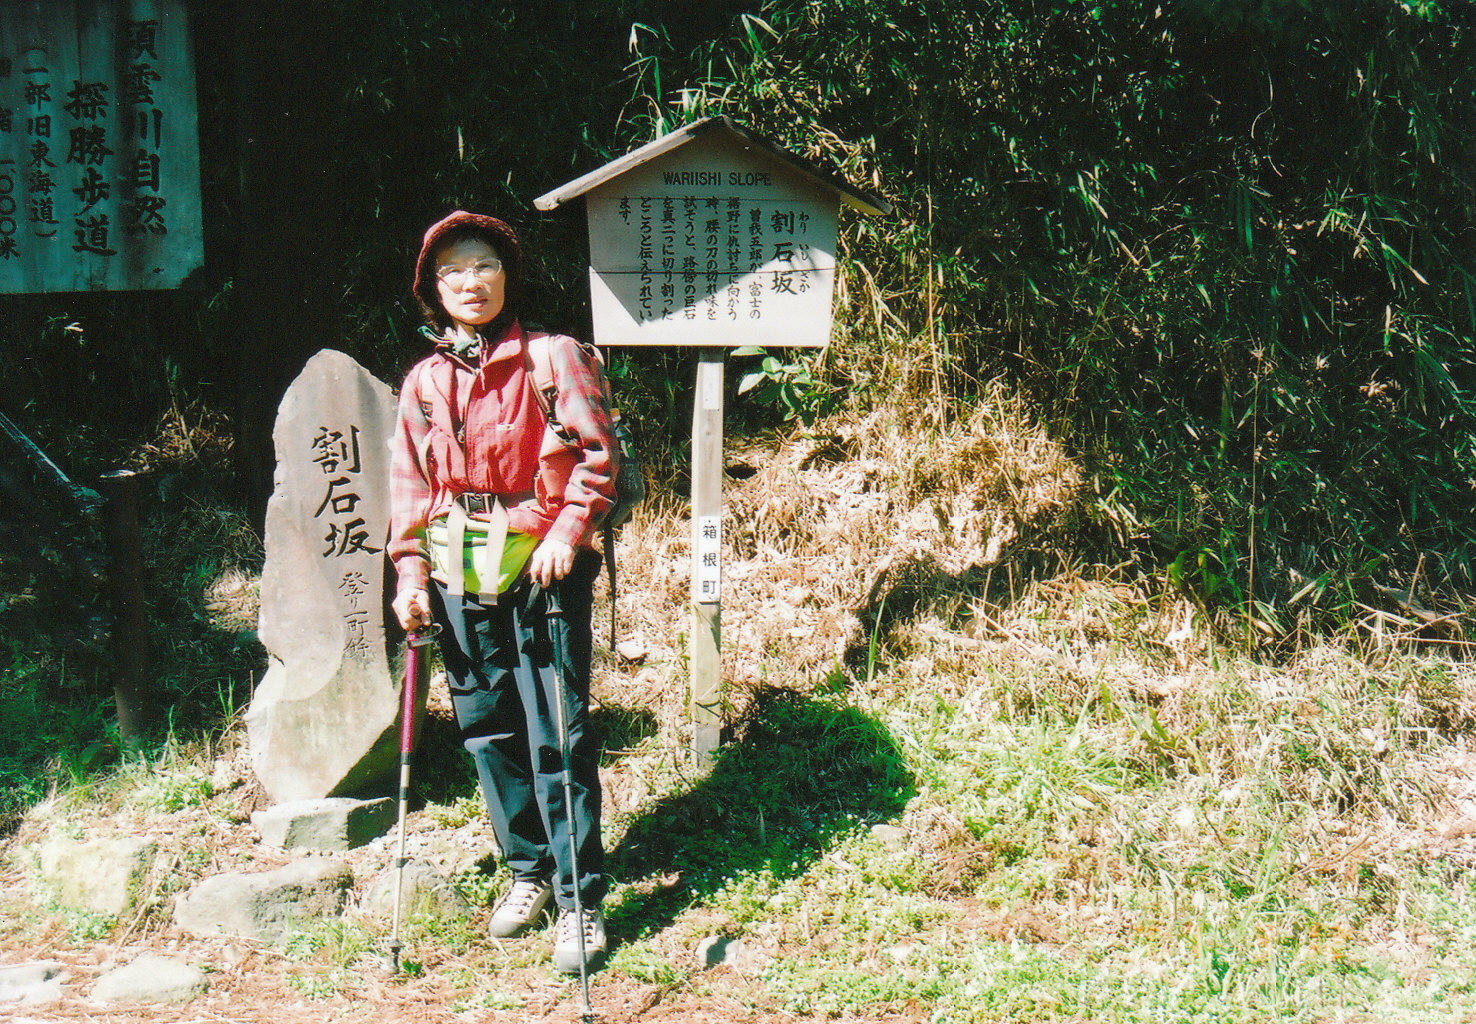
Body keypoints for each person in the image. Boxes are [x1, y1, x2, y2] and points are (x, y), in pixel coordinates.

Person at [387, 210, 617, 975]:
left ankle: (579, 897)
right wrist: (410, 575)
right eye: (452, 270)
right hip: (458, 566)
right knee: (486, 726)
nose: (470, 282)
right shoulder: (424, 381)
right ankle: (528, 870)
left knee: (558, 731)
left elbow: (598, 456)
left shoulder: (554, 357)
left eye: (483, 265)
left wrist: (566, 533)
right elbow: (409, 485)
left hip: (543, 567)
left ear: (507, 276)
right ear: (433, 288)